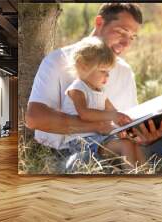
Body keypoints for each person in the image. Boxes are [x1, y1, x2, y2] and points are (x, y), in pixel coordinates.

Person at [26, 3, 162, 162]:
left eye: (132, 37)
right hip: (70, 153)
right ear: (99, 22)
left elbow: (126, 126)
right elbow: (34, 118)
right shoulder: (58, 60)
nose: (126, 44)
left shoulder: (125, 72)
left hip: (117, 147)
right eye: (121, 32)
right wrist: (96, 127)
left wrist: (145, 137)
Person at [62, 36, 145, 168]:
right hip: (82, 142)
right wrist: (113, 116)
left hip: (100, 137)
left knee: (132, 142)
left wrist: (124, 123)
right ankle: (133, 177)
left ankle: (141, 173)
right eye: (103, 71)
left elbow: (114, 112)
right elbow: (84, 114)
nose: (107, 76)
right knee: (125, 145)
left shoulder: (100, 91)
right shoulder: (77, 89)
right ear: (83, 66)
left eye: (108, 71)